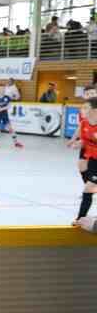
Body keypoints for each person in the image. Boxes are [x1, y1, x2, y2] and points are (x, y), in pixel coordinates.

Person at [68, 96, 97, 230]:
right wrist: (78, 143)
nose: (82, 110)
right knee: (86, 178)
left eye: (86, 107)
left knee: (87, 190)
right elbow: (86, 140)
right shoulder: (85, 123)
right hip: (92, 159)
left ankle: (80, 219)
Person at [0, 84, 23, 150]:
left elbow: (9, 105)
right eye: (0, 89)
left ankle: (16, 143)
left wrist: (3, 108)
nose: (1, 90)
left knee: (11, 129)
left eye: (3, 89)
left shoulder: (7, 97)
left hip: (5, 116)